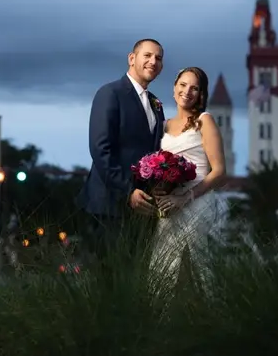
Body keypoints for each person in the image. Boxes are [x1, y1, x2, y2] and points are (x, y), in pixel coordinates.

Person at [77, 38, 165, 254]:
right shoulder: (110, 93)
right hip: (110, 204)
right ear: (131, 58)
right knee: (109, 278)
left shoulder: (156, 103)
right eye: (147, 55)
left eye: (159, 58)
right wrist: (128, 192)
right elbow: (100, 149)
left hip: (142, 208)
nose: (153, 61)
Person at [152, 67, 226, 278]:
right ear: (174, 88)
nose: (187, 91)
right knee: (162, 270)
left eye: (194, 88)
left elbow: (219, 171)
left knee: (199, 270)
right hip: (168, 206)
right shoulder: (163, 125)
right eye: (183, 85)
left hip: (196, 203)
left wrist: (185, 198)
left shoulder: (205, 120)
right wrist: (159, 190)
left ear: (201, 94)